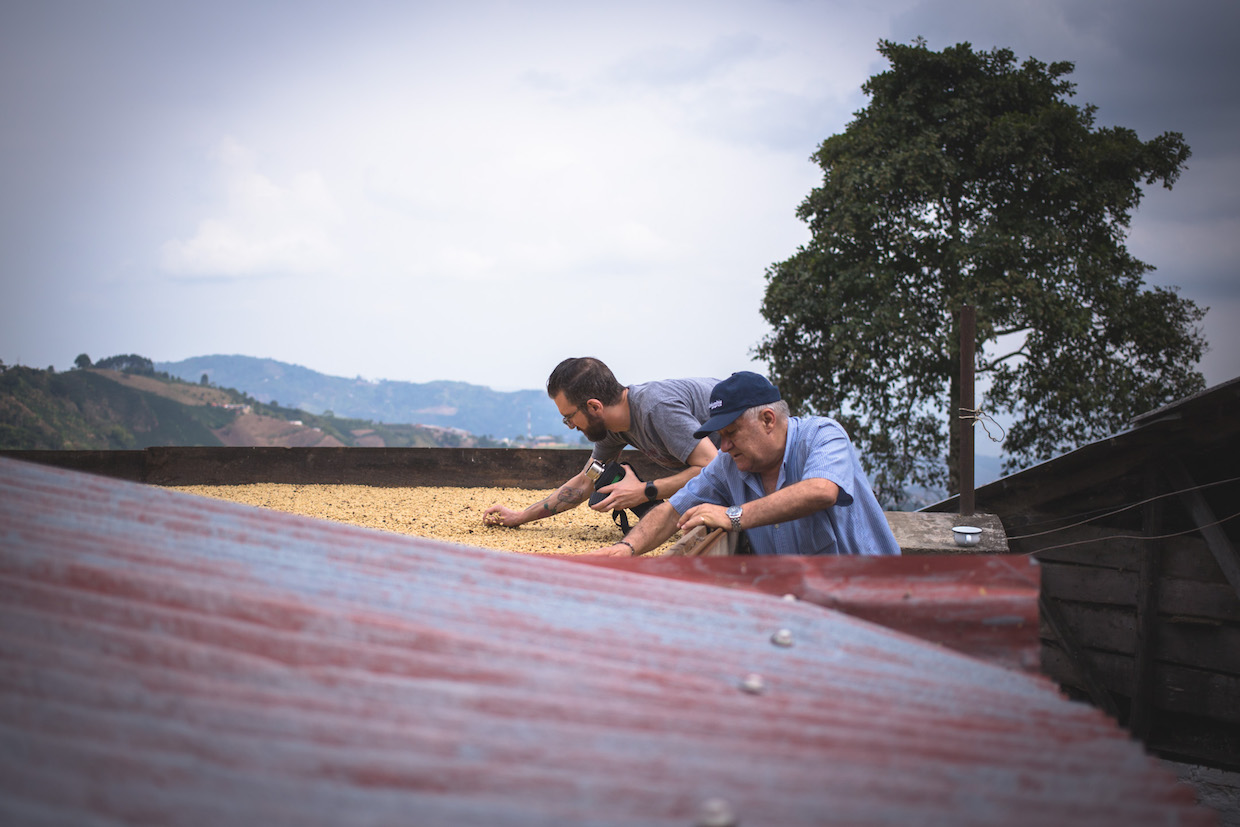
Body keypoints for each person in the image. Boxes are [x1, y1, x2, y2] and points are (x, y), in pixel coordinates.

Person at [592, 371, 901, 557]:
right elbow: (671, 511)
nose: (723, 446)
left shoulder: (821, 435)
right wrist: (627, 548)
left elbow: (820, 491)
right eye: (720, 436)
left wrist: (733, 515)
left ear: (768, 420)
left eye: (731, 433)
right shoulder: (728, 465)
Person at [483, 357, 721, 529]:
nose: (571, 425)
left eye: (569, 417)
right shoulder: (610, 430)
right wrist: (520, 517)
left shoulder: (657, 410)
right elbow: (587, 480)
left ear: (594, 406)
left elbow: (712, 467)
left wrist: (644, 491)